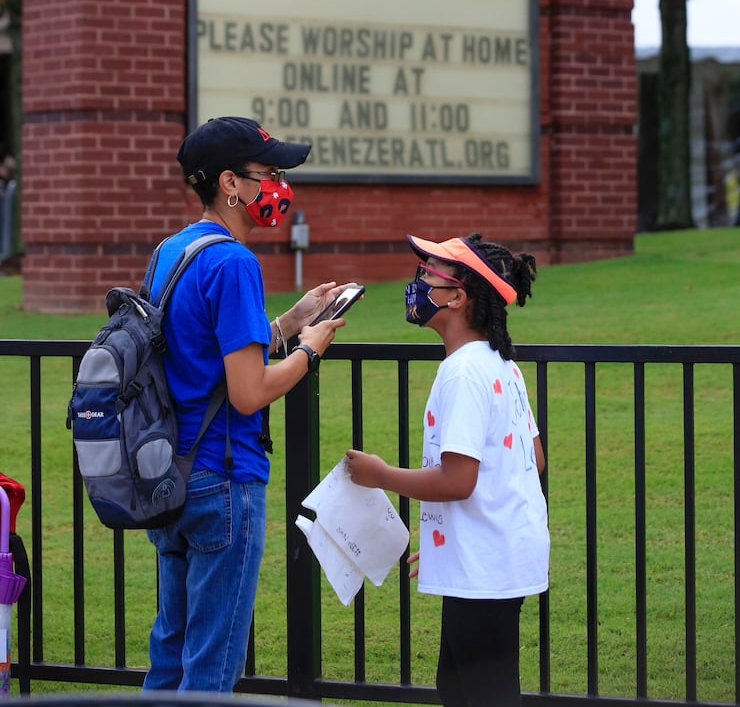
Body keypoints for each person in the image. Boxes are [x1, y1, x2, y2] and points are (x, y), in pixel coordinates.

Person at [142, 116, 347, 692]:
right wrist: (308, 350)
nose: (278, 186)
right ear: (231, 183)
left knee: (170, 655)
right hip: (225, 481)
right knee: (212, 668)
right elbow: (248, 390)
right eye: (269, 173)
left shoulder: (172, 251)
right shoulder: (234, 263)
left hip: (171, 476)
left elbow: (202, 354)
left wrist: (288, 321)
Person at [346, 232, 550, 707]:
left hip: (487, 567)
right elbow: (533, 459)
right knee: (458, 688)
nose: (415, 284)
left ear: (458, 298)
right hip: (491, 556)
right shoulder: (500, 365)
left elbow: (459, 480)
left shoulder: (462, 373)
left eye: (426, 276)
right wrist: (454, 540)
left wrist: (379, 474)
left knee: (484, 695)